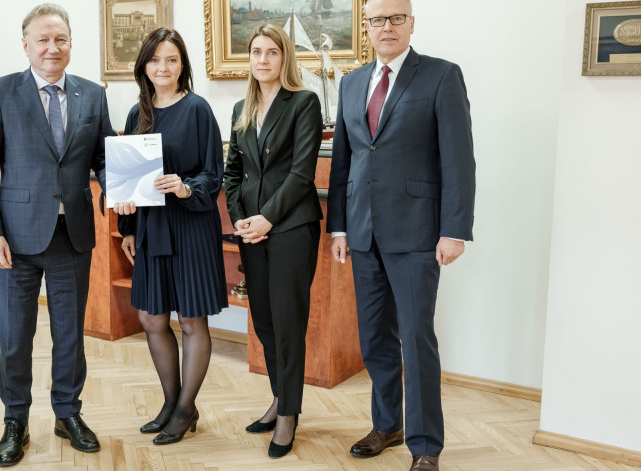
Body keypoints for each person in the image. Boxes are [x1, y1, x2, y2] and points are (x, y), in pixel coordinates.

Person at [326, 0, 476, 469]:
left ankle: (426, 445)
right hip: (363, 232)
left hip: (417, 233)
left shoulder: (441, 75)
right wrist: (339, 226)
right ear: (367, 27)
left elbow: (459, 160)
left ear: (412, 23)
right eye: (377, 19)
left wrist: (454, 230)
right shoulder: (351, 83)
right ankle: (387, 424)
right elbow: (344, 161)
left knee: (415, 339)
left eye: (396, 18)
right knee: (374, 338)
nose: (386, 27)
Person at [0, 3, 112, 466]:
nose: (53, 48)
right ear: (26, 45)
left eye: (61, 39)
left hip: (73, 236)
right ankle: (15, 420)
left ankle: (68, 413)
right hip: (15, 241)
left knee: (70, 336)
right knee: (16, 338)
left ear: (71, 44)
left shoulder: (92, 94)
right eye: (43, 40)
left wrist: (126, 188)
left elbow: (104, 160)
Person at [113, 28, 227, 446]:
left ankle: (184, 410)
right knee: (151, 318)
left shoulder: (197, 109)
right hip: (150, 228)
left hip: (190, 225)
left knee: (191, 319)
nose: (163, 67)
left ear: (183, 65)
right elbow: (127, 181)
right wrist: (127, 229)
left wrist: (184, 187)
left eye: (172, 60)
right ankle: (171, 402)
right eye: (155, 60)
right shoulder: (135, 114)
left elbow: (213, 174)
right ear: (144, 65)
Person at [224, 24, 323, 459]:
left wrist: (267, 218)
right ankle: (280, 398)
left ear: (285, 58)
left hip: (291, 230)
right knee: (264, 322)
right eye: (256, 52)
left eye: (272, 52)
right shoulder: (240, 108)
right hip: (252, 230)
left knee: (287, 324)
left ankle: (288, 415)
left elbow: (302, 174)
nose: (262, 60)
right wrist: (241, 219)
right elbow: (232, 173)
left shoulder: (303, 102)